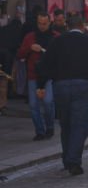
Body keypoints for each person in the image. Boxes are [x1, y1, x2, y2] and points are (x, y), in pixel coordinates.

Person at [35, 14, 88, 176]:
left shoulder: (57, 41)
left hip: (62, 85)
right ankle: (73, 161)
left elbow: (45, 64)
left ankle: (67, 157)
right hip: (85, 85)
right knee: (81, 125)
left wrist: (41, 85)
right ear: (82, 26)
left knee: (66, 123)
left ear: (67, 26)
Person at [18, 12, 58, 140]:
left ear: (49, 22)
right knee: (33, 105)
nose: (42, 26)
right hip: (33, 75)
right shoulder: (30, 37)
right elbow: (20, 54)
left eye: (44, 23)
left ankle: (50, 126)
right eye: (40, 23)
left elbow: (61, 56)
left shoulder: (56, 37)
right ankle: (40, 131)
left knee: (47, 101)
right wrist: (30, 48)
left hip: (49, 75)